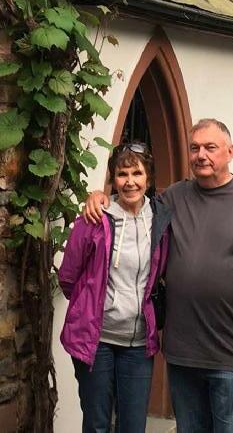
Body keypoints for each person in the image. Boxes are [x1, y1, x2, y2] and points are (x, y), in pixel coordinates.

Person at [84, 119, 233, 433]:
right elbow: (132, 202)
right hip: (182, 358)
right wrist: (100, 196)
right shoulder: (173, 198)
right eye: (194, 148)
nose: (200, 155)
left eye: (210, 147)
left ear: (230, 151)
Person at [59, 142, 173, 433]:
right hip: (96, 342)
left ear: (149, 177)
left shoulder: (161, 220)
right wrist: (92, 305)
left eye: (137, 173)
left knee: (132, 426)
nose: (130, 182)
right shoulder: (95, 218)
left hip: (138, 344)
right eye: (122, 174)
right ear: (114, 179)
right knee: (97, 425)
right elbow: (68, 277)